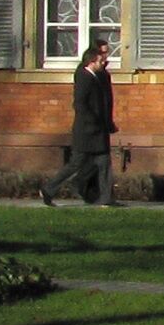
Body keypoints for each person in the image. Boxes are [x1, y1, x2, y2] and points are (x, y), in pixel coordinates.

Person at [43, 39, 115, 206]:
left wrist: (108, 121)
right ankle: (49, 189)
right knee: (76, 163)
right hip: (87, 131)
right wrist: (93, 122)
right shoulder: (83, 76)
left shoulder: (102, 75)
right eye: (102, 55)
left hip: (100, 128)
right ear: (93, 58)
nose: (105, 59)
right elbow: (80, 104)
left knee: (104, 163)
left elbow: (107, 100)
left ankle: (106, 199)